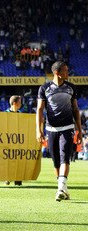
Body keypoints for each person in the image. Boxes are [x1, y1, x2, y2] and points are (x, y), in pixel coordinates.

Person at [36, 61, 82, 202]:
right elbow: (39, 110)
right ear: (57, 73)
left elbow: (75, 110)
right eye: (66, 71)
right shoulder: (44, 88)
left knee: (64, 157)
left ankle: (60, 188)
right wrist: (38, 130)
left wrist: (79, 130)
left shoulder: (71, 88)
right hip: (51, 129)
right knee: (56, 161)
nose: (68, 73)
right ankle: (63, 189)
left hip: (67, 128)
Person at [4, 95, 23, 186]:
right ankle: (7, 177)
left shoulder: (21, 114)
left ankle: (18, 180)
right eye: (20, 102)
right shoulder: (5, 113)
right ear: (14, 103)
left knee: (18, 160)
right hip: (8, 141)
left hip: (18, 141)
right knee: (8, 160)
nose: (21, 104)